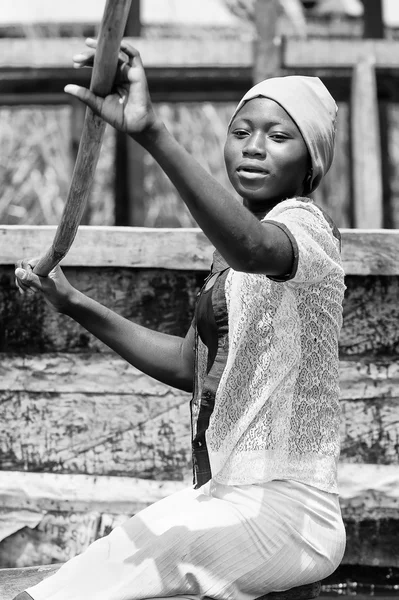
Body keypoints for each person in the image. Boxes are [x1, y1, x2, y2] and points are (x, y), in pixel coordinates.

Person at [14, 39, 346, 600]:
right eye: (241, 133)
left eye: (278, 136)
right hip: (225, 494)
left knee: (165, 549)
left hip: (293, 509)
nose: (254, 148)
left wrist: (152, 133)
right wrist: (74, 303)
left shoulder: (308, 232)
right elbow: (188, 362)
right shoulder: (230, 260)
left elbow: (253, 248)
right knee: (105, 558)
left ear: (309, 162)